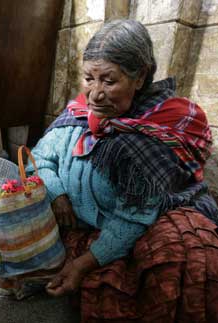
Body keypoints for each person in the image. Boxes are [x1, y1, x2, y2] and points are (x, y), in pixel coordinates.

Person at [27, 19, 218, 321]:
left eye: (109, 81)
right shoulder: (77, 113)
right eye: (89, 78)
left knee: (188, 261)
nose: (95, 94)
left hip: (140, 219)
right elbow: (37, 160)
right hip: (92, 221)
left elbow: (133, 216)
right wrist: (57, 193)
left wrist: (84, 263)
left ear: (139, 77)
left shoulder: (155, 131)